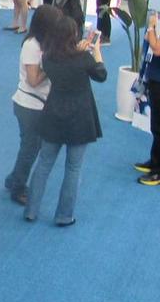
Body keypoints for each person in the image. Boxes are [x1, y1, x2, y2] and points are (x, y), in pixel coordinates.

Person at [24, 17, 106, 224]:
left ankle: (31, 210)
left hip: (53, 115)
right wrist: (95, 51)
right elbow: (101, 74)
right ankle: (64, 215)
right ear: (74, 35)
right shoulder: (83, 58)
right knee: (73, 168)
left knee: (44, 163)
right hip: (80, 119)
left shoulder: (49, 58)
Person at [5, 5, 63, 204]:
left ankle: (13, 179)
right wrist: (52, 64)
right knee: (30, 149)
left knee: (29, 147)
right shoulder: (32, 45)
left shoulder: (46, 43)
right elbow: (34, 80)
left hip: (37, 105)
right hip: (29, 106)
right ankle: (18, 187)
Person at [135, 13, 160, 185]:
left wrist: (151, 27)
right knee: (156, 126)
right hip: (154, 76)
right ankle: (155, 161)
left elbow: (157, 48)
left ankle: (158, 172)